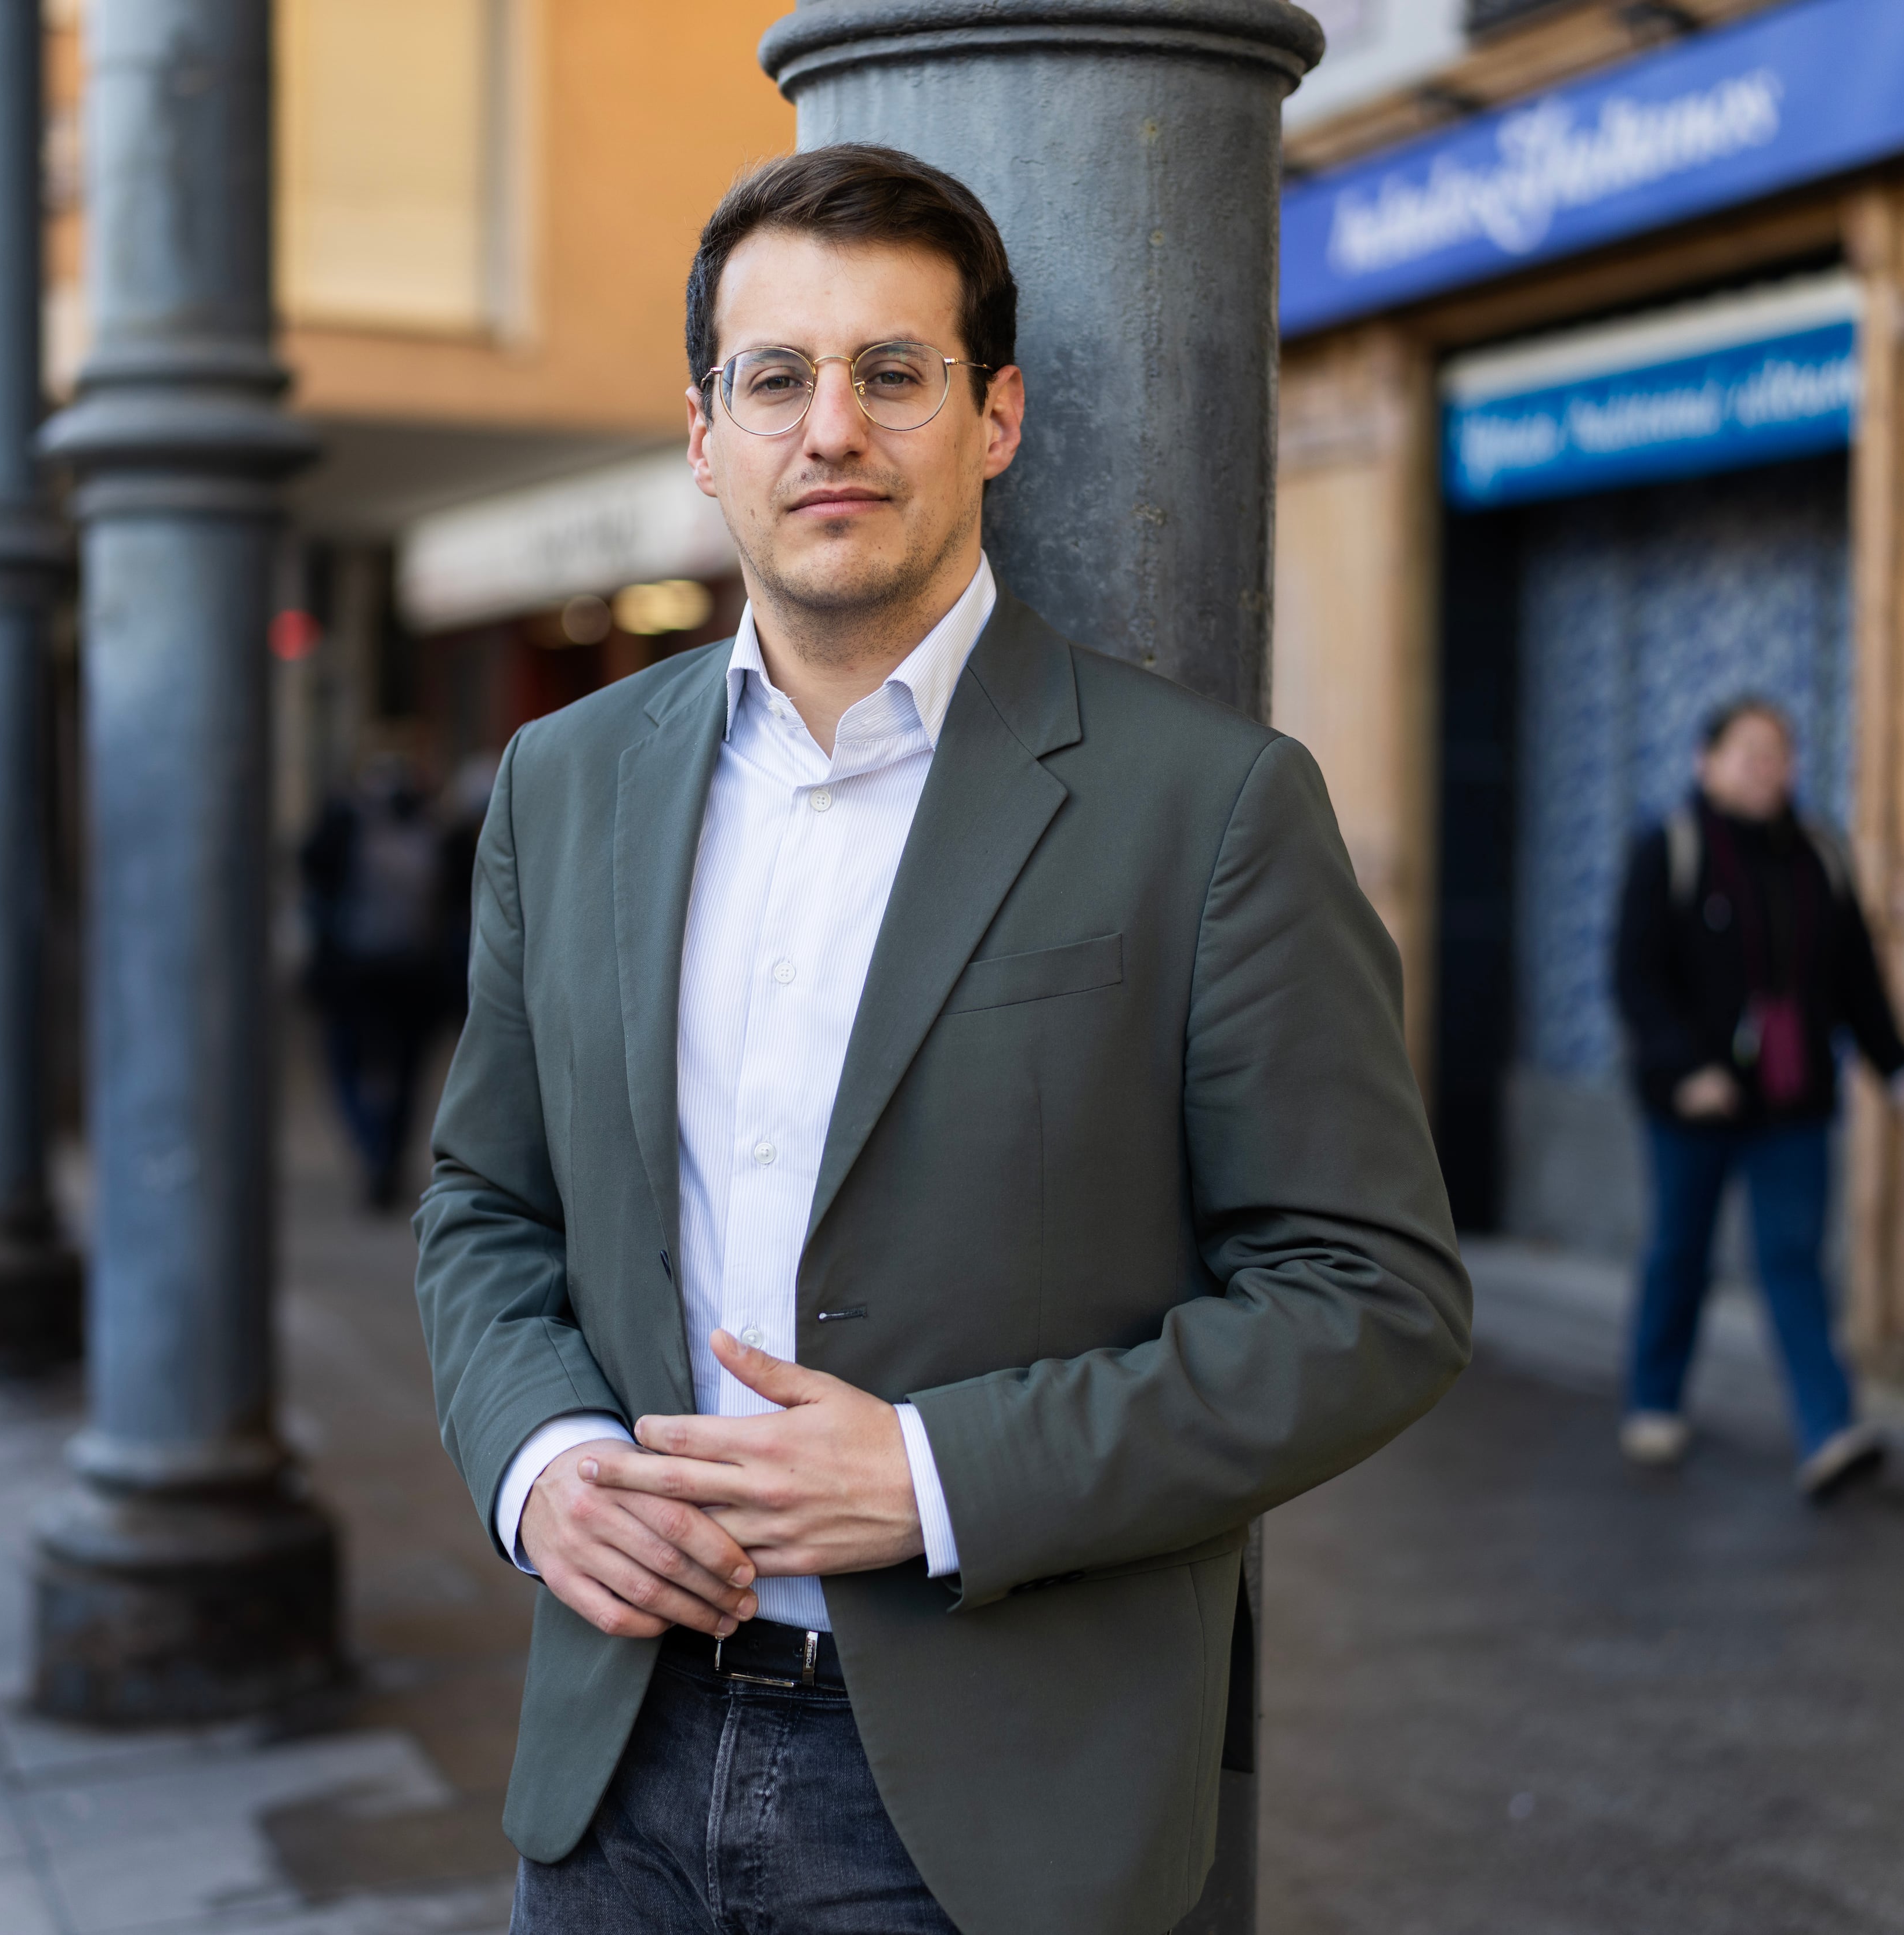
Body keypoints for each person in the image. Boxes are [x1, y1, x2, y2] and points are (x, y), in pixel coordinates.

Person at [411, 145, 1471, 1935]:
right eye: (777, 378)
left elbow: (1370, 1296)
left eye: (890, 373)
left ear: (992, 417)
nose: (830, 426)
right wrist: (541, 1469)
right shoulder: (563, 782)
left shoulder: (1204, 806)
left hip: (988, 1815)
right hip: (614, 1765)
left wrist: (929, 1474)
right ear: (704, 433)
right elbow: (481, 1209)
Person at [1611, 698, 1904, 1500]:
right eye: (1748, 752)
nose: (1767, 768)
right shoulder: (1668, 848)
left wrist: (1897, 1064)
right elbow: (1633, 978)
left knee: (1793, 1261)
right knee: (1681, 1251)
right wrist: (1684, 1068)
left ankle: (1828, 1429)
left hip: (1794, 1098)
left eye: (1779, 753)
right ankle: (1654, 1399)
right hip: (1693, 1105)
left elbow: (1857, 973)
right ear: (1705, 762)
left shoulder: (1820, 852)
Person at [300, 754, 449, 1209]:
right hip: (412, 972)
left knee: (347, 1061)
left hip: (358, 971)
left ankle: (372, 1145)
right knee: (405, 1071)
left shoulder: (349, 826)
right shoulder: (430, 831)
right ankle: (385, 1150)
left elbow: (312, 871)